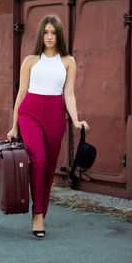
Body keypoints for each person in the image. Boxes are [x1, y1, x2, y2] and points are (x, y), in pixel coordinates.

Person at [7, 15, 89, 238]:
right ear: (41, 35)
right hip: (29, 112)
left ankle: (39, 212)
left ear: (59, 35)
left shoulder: (68, 61)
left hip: (54, 114)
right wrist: (14, 127)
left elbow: (69, 93)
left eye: (53, 33)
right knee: (39, 161)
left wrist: (75, 119)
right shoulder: (30, 61)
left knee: (49, 167)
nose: (49, 37)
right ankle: (38, 215)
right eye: (45, 32)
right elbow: (21, 93)